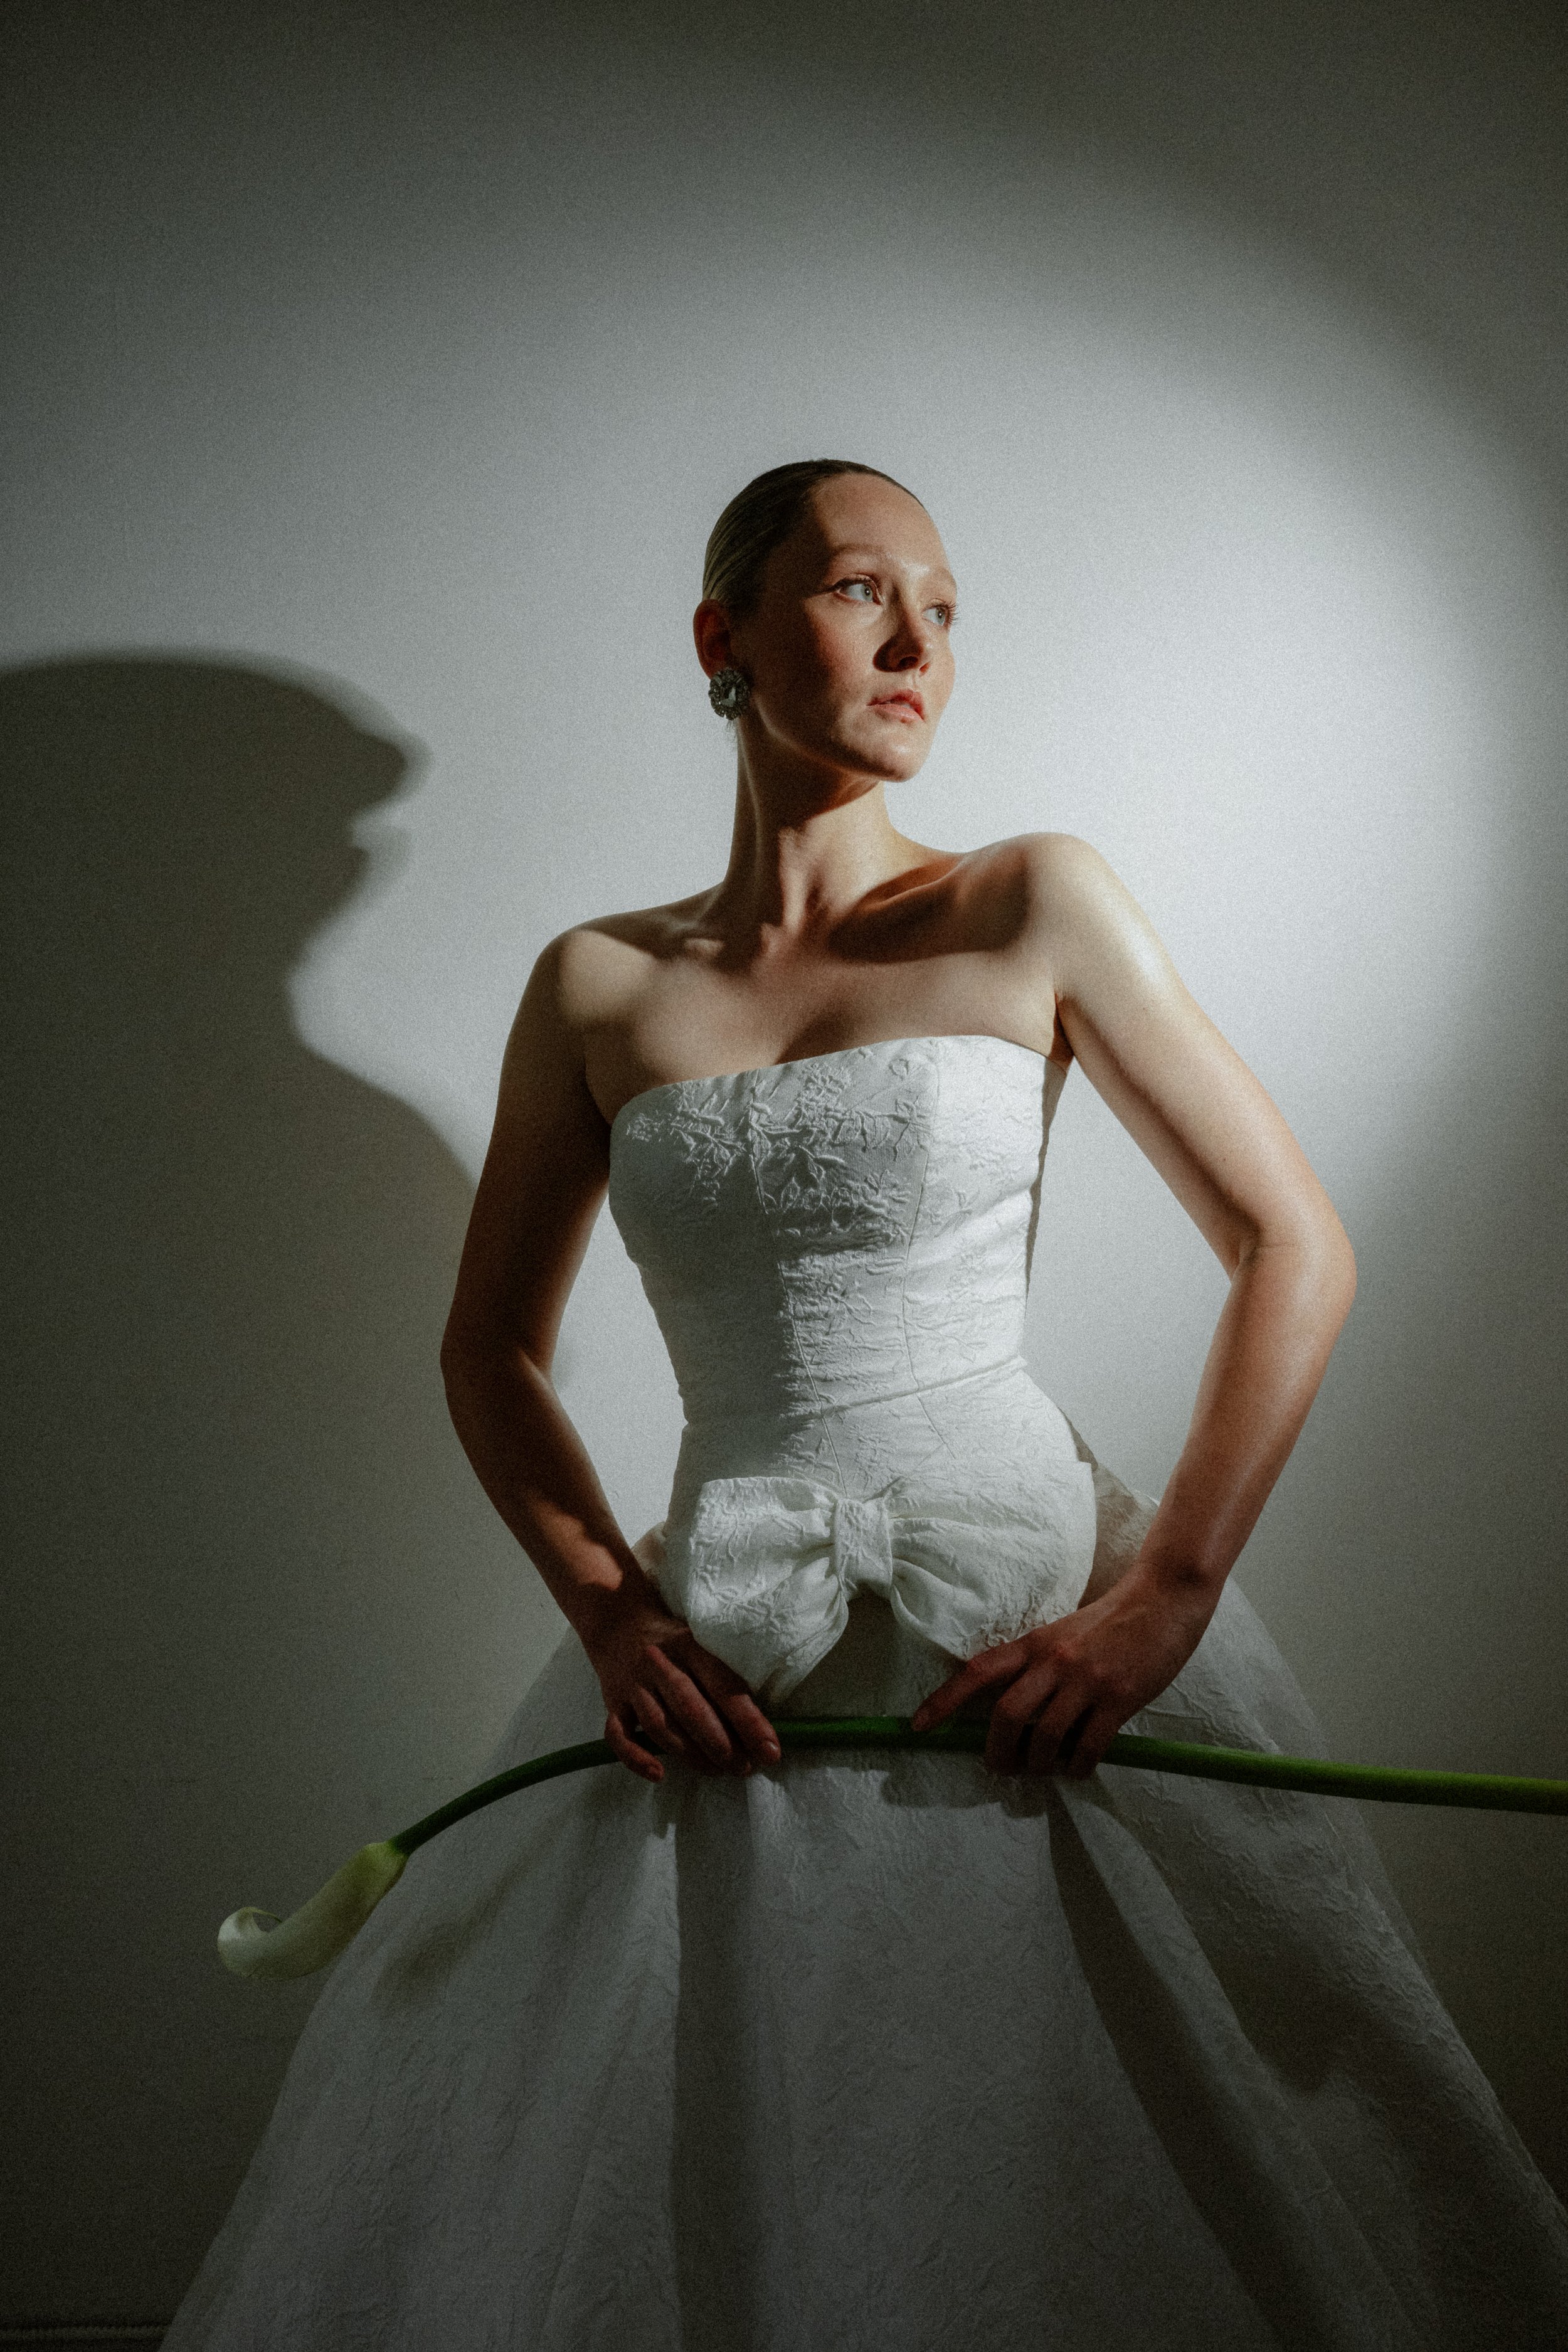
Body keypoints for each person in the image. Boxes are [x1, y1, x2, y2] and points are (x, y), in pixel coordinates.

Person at [166, 460, 1568, 2349]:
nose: (918, 642)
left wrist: (1161, 1603)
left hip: (1028, 1620)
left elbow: (1291, 1247)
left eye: (945, 604)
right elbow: (487, 1349)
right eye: (855, 591)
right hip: (723, 1642)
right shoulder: (593, 983)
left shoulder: (1032, 900)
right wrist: (605, 1610)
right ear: (720, 638)